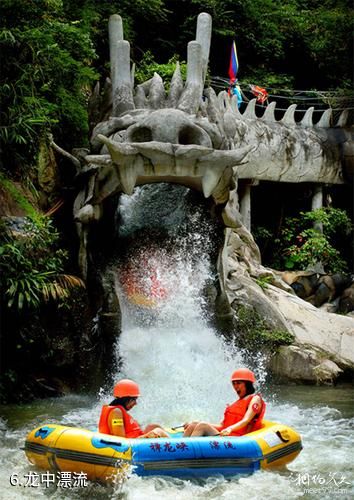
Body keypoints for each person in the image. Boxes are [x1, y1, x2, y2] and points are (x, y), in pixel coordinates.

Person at [183, 368, 265, 437]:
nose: (236, 387)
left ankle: (185, 452)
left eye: (239, 383)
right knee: (194, 424)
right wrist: (197, 422)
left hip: (238, 440)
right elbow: (222, 426)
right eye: (234, 383)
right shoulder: (237, 403)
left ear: (248, 384)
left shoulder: (255, 399)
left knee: (203, 426)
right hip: (226, 435)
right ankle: (178, 448)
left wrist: (230, 428)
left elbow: (246, 420)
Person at [98, 379, 170, 438]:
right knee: (158, 431)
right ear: (126, 398)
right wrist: (146, 436)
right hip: (133, 445)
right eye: (134, 399)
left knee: (152, 426)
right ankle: (177, 447)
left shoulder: (118, 411)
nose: (135, 403)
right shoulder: (116, 412)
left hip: (136, 438)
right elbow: (120, 439)